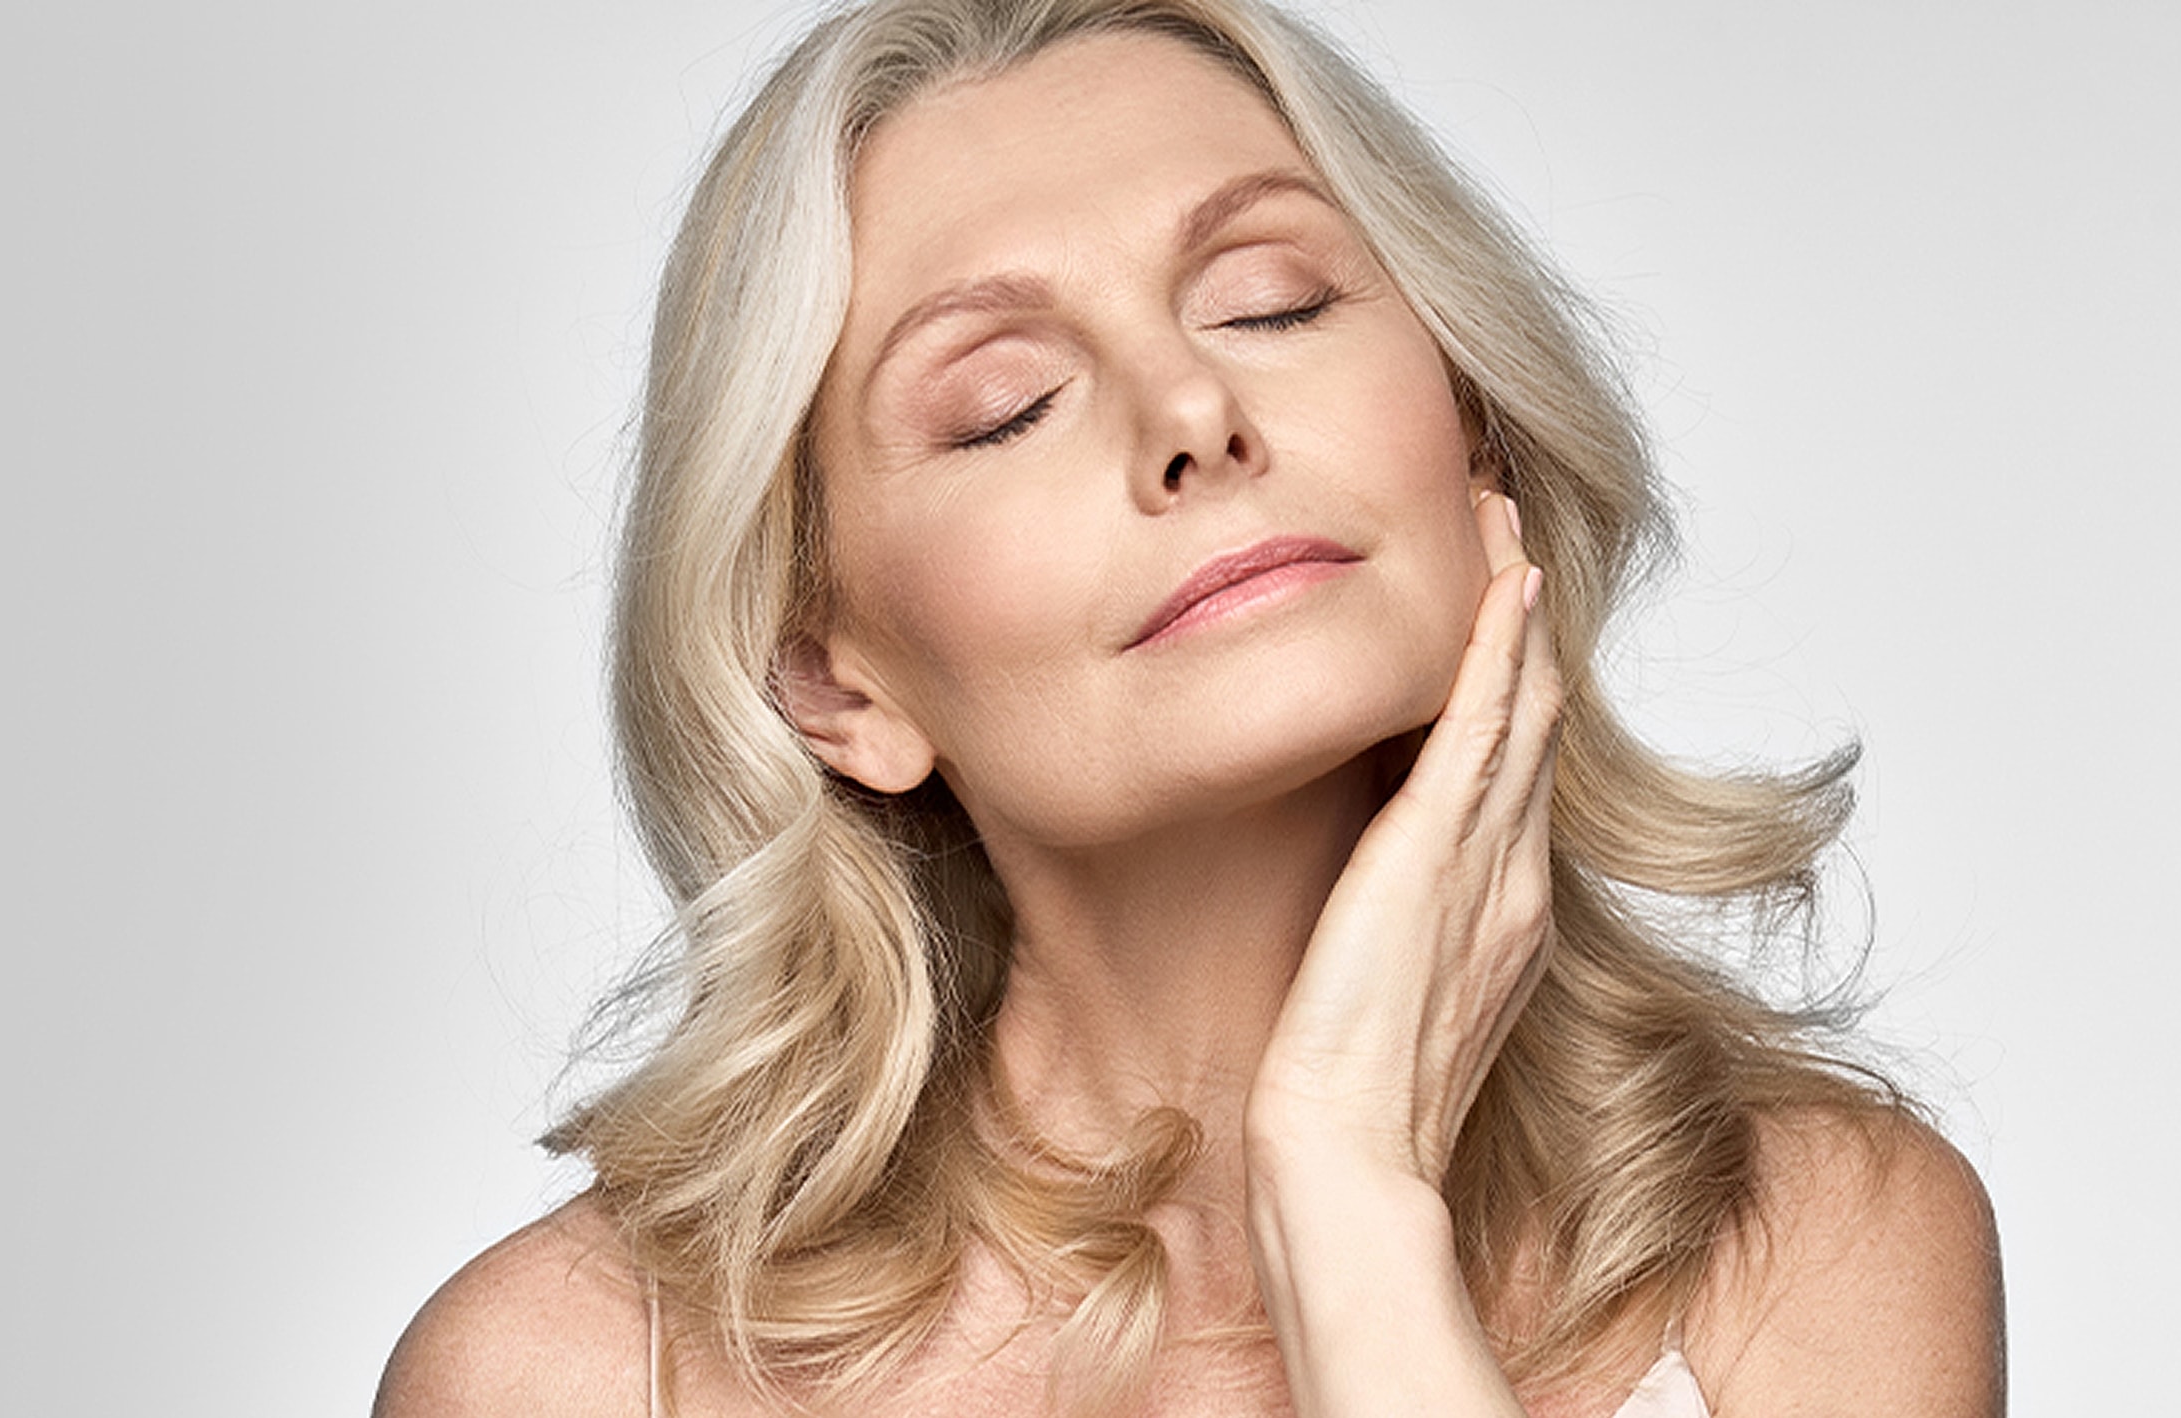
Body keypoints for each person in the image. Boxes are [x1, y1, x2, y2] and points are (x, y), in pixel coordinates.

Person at [377, 1, 2004, 1413]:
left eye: (1270, 302)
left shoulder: (1815, 1243)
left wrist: (1350, 1195)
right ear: (834, 680)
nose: (1194, 409)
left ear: (1475, 436)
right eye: (1006, 404)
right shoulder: (570, 1373)